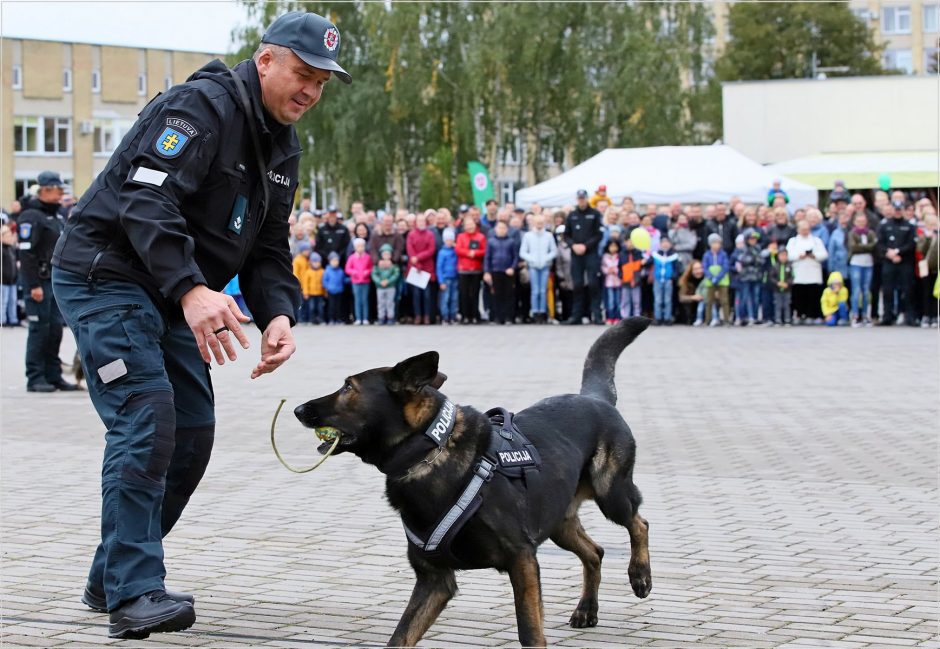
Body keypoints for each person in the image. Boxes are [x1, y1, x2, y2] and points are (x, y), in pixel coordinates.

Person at [50, 11, 350, 638]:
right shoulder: (198, 108)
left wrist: (278, 315)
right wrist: (190, 289)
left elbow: (267, 248)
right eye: (303, 74)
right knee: (146, 416)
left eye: (323, 82)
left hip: (170, 293)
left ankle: (113, 574)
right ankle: (134, 594)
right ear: (266, 59)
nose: (312, 92)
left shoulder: (281, 145)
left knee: (193, 432)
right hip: (107, 275)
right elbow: (145, 196)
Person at [17, 171, 75, 392]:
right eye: (57, 189)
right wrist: (32, 285)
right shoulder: (31, 216)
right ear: (45, 190)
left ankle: (53, 375)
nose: (61, 193)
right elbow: (26, 253)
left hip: (54, 282)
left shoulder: (57, 215)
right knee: (39, 330)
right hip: (38, 283)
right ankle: (35, 377)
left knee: (54, 331)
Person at [563, 190, 603, 324]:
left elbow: (599, 234)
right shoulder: (572, 215)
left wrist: (586, 246)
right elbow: (566, 235)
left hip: (590, 253)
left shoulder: (595, 214)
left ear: (587, 199)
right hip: (576, 254)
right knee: (578, 285)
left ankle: (596, 315)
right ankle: (576, 316)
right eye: (579, 198)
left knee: (593, 284)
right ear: (577, 199)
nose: (581, 200)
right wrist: (573, 245)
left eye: (583, 198)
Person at [876, 200, 917, 326]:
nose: (898, 212)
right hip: (889, 261)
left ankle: (910, 317)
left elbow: (911, 244)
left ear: (903, 211)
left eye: (900, 210)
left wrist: (898, 252)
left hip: (904, 261)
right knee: (887, 290)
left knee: (908, 290)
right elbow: (879, 243)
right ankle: (887, 316)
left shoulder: (909, 226)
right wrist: (889, 253)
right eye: (896, 209)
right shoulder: (884, 225)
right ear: (892, 210)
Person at [786, 218, 829, 323]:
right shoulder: (793, 241)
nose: (805, 231)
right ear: (798, 230)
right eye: (802, 229)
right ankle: (800, 314)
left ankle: (812, 315)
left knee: (813, 295)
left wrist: (814, 255)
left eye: (807, 229)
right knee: (799, 295)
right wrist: (799, 256)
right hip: (799, 272)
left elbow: (824, 254)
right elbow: (788, 255)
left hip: (813, 272)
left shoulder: (816, 241)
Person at [518, 213, 557, 324]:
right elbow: (523, 252)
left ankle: (543, 311)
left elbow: (553, 251)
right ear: (533, 223)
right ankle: (535, 311)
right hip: (533, 266)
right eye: (537, 223)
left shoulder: (548, 236)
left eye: (541, 223)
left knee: (543, 290)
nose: (539, 225)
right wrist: (531, 259)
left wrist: (546, 258)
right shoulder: (528, 236)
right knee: (535, 290)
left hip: (544, 266)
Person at [483, 221, 518, 325]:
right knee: (496, 295)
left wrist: (512, 268)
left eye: (503, 228)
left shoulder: (511, 241)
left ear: (507, 229)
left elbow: (515, 257)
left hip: (508, 272)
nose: (501, 230)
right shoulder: (491, 241)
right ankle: (497, 317)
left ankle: (508, 317)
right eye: (499, 228)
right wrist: (487, 272)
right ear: (495, 229)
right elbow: (487, 258)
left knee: (508, 295)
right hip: (495, 271)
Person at [847, 212, 877, 327]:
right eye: (859, 222)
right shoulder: (852, 233)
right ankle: (855, 315)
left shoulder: (870, 233)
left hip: (868, 264)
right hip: (856, 263)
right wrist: (866, 247)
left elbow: (873, 245)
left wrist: (863, 247)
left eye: (863, 222)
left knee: (866, 290)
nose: (861, 224)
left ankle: (865, 315)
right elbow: (853, 247)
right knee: (856, 290)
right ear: (855, 222)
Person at [406, 212, 437, 324]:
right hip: (415, 268)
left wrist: (418, 258)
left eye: (423, 221)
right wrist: (416, 262)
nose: (421, 223)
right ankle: (418, 316)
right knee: (416, 294)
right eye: (419, 221)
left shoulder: (430, 234)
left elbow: (431, 250)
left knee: (427, 294)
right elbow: (410, 250)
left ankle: (427, 316)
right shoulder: (411, 234)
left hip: (427, 268)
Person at [455, 216, 486, 324]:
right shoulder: (460, 236)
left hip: (476, 269)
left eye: (471, 224)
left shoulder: (481, 237)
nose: (469, 227)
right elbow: (458, 249)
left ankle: (475, 315)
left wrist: (475, 253)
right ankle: (465, 315)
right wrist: (468, 253)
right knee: (464, 293)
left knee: (475, 293)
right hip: (464, 269)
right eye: (467, 225)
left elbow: (484, 250)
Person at [702, 233, 731, 326]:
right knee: (709, 301)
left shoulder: (723, 254)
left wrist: (718, 277)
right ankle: (707, 319)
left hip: (722, 280)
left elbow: (725, 266)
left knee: (724, 300)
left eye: (718, 243)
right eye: (714, 243)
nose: (716, 245)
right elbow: (705, 267)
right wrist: (710, 277)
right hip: (710, 280)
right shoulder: (707, 255)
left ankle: (726, 319)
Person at [650, 236, 680, 325]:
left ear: (670, 244)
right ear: (660, 244)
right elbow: (648, 263)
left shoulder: (674, 256)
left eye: (667, 242)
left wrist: (672, 278)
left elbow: (677, 269)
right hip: (658, 279)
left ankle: (667, 318)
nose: (665, 244)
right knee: (657, 300)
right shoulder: (656, 255)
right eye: (663, 242)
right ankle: (658, 318)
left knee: (667, 300)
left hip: (668, 280)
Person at [737, 229, 764, 325]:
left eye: (755, 239)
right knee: (744, 297)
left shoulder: (758, 248)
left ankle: (755, 317)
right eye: (751, 239)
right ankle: (742, 317)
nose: (753, 240)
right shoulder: (743, 249)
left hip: (756, 276)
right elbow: (743, 260)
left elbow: (761, 261)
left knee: (755, 298)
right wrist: (754, 259)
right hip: (746, 277)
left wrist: (755, 259)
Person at [345, 237, 373, 325]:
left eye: (362, 246)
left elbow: (371, 268)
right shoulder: (352, 257)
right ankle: (358, 318)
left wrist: (367, 272)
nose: (360, 248)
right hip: (355, 281)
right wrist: (354, 272)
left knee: (365, 300)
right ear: (355, 247)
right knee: (357, 300)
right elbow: (347, 269)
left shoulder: (368, 257)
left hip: (365, 281)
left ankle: (365, 318)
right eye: (358, 246)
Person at [436, 228, 459, 324]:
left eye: (451, 240)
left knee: (454, 298)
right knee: (445, 298)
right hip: (446, 278)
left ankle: (453, 316)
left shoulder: (455, 251)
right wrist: (441, 281)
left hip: (455, 278)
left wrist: (457, 247)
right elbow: (439, 268)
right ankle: (445, 316)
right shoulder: (442, 252)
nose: (449, 242)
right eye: (447, 240)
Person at [769, 248, 794, 326]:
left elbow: (792, 277)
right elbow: (771, 277)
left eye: (785, 255)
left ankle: (787, 319)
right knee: (778, 305)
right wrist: (777, 283)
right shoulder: (775, 266)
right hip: (777, 290)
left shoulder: (789, 265)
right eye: (781, 255)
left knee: (787, 305)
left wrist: (788, 283)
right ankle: (778, 320)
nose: (783, 257)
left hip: (787, 289)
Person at [677, 259, 705, 325]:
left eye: (700, 268)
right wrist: (693, 297)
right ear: (691, 271)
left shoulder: (706, 279)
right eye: (696, 269)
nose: (699, 271)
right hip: (691, 307)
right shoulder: (685, 281)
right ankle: (689, 319)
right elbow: (681, 298)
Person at [1, 224, 19, 327]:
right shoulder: (2, 249)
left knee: (13, 301)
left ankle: (13, 319)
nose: (10, 237)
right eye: (7, 235)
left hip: (12, 280)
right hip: (3, 280)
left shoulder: (11, 248)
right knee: (3, 301)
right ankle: (2, 320)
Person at [601, 239, 622, 324]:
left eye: (615, 246)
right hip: (609, 282)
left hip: (618, 281)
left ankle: (617, 317)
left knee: (618, 301)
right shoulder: (605, 257)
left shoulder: (619, 256)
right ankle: (610, 317)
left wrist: (616, 270)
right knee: (610, 302)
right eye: (611, 246)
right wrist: (608, 271)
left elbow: (621, 267)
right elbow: (603, 267)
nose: (613, 248)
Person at [324, 252, 348, 324]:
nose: (335, 262)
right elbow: (325, 281)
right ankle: (331, 319)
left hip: (339, 290)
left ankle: (338, 319)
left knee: (338, 306)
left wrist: (350, 279)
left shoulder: (340, 271)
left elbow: (343, 280)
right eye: (333, 261)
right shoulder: (327, 271)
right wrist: (327, 287)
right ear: (330, 261)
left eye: (337, 260)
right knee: (331, 306)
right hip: (331, 291)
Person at [305, 252, 326, 325]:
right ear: (311, 263)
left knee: (320, 308)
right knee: (312, 308)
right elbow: (305, 284)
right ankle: (311, 320)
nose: (316, 264)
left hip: (320, 293)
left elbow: (324, 283)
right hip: (311, 293)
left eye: (318, 262)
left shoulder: (322, 271)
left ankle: (321, 320)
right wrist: (306, 293)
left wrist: (325, 292)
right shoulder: (308, 272)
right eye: (315, 262)